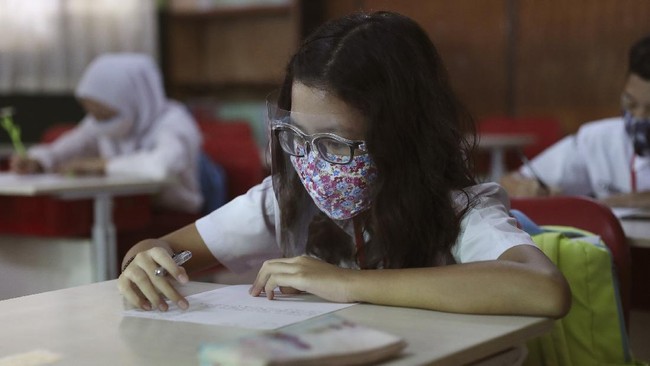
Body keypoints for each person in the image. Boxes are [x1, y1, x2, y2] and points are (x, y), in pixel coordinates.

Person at [118, 11, 570, 318]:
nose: (313, 164)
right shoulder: (286, 199)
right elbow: (163, 249)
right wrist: (146, 263)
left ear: (400, 135)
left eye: (337, 144)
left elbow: (543, 289)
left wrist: (344, 283)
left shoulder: (461, 210)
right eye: (297, 137)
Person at [9, 53, 204, 214]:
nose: (96, 121)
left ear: (134, 101)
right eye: (92, 114)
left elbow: (163, 166)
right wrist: (39, 160)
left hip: (173, 212)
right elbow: (72, 144)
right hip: (127, 210)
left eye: (104, 114)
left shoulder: (174, 123)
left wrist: (102, 165)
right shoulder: (99, 123)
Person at [500, 35, 650, 208]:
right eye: (630, 103)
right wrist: (527, 188)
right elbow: (508, 182)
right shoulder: (598, 139)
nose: (638, 116)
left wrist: (614, 202)